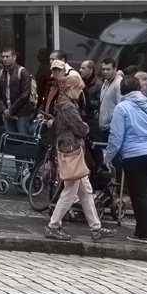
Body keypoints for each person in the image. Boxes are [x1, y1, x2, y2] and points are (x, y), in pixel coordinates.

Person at [107, 72, 147, 243]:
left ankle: (143, 232)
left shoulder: (122, 108)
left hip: (134, 155)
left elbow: (116, 136)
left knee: (139, 194)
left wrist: (108, 157)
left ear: (122, 91)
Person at [44, 71, 104, 240]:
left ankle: (96, 227)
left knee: (85, 190)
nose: (79, 94)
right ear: (71, 89)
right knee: (71, 191)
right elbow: (80, 127)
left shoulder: (63, 103)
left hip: (70, 149)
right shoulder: (68, 106)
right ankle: (53, 226)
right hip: (72, 150)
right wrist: (86, 127)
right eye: (78, 90)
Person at [0, 48, 34, 139]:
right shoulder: (0, 73)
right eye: (3, 57)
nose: (4, 59)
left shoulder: (22, 72)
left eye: (7, 57)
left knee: (24, 139)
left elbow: (25, 95)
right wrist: (4, 109)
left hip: (22, 113)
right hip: (7, 112)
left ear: (14, 57)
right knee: (12, 141)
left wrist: (11, 110)